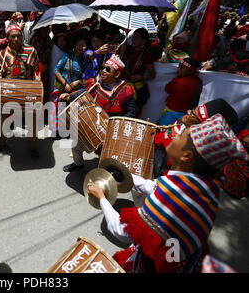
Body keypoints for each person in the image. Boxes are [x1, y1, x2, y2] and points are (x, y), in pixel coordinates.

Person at [87, 114, 249, 273]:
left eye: (180, 136)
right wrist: (123, 175)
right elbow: (155, 187)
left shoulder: (172, 200)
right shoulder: (204, 190)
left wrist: (101, 198)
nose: (175, 136)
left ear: (186, 156)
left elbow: (121, 232)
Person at [61, 55, 137, 172]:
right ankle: (78, 164)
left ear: (116, 74)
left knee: (106, 156)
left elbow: (131, 111)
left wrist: (117, 125)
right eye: (103, 68)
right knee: (76, 145)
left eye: (108, 69)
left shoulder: (125, 91)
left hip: (111, 130)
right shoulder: (95, 84)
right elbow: (83, 93)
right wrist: (69, 96)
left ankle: (104, 174)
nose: (103, 71)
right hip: (92, 124)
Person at [0, 24, 41, 158]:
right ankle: (1, 143)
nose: (16, 39)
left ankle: (32, 147)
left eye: (19, 36)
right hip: (8, 93)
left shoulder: (31, 51)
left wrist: (37, 86)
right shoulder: (3, 54)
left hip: (27, 92)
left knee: (32, 120)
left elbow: (36, 70)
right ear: (8, 38)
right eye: (13, 37)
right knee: (0, 119)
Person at [153, 98, 239, 178]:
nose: (188, 112)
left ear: (200, 128)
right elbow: (165, 134)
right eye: (193, 110)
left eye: (193, 115)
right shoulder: (184, 120)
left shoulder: (194, 152)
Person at [49, 36, 87, 135]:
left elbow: (88, 78)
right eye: (79, 44)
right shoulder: (67, 56)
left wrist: (78, 82)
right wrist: (64, 83)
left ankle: (67, 131)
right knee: (59, 109)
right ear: (74, 45)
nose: (81, 47)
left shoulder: (86, 61)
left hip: (75, 91)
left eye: (84, 45)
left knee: (70, 112)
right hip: (62, 88)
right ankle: (56, 131)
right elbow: (56, 70)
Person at [120, 28, 156, 116]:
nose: (133, 39)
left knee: (130, 114)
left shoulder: (146, 54)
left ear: (144, 41)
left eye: (137, 37)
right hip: (122, 85)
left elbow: (153, 75)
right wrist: (121, 54)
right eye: (133, 37)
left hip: (135, 89)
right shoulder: (127, 49)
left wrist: (141, 77)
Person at [159, 58, 203, 126]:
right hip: (185, 114)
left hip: (171, 113)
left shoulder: (178, 82)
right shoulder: (198, 82)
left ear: (190, 71)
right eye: (179, 67)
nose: (178, 69)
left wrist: (177, 79)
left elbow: (167, 89)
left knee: (161, 130)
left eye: (182, 68)